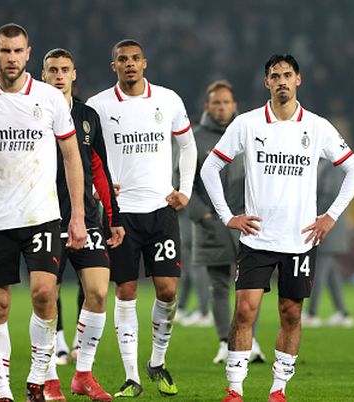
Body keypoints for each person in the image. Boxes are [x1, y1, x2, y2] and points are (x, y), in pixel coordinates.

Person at [200, 54, 354, 402]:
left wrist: (330, 215)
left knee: (291, 313)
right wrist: (228, 215)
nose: (281, 81)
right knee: (245, 310)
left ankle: (278, 389)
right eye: (274, 76)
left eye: (287, 75)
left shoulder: (317, 127)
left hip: (300, 239)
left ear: (298, 80)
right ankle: (235, 388)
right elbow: (209, 168)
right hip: (257, 237)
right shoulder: (247, 123)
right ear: (267, 83)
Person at [0, 23, 86, 402]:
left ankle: (38, 379)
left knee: (44, 294)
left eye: (17, 51)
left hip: (41, 214)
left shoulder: (49, 99)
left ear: (28, 53)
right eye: (4, 51)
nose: (11, 58)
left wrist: (77, 215)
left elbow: (72, 157)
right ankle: (3, 391)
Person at [86, 39, 197, 398]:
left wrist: (185, 189)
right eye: (122, 60)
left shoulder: (168, 100)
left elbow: (188, 145)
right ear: (113, 66)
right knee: (126, 290)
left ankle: (157, 361)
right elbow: (82, 154)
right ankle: (132, 376)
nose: (129, 64)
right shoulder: (98, 106)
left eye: (135, 59)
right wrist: (95, 188)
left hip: (161, 210)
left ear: (145, 63)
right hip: (120, 214)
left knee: (167, 291)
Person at [41, 47, 126, 401]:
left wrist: (113, 216)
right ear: (43, 75)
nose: (60, 75)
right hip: (43, 215)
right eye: (53, 70)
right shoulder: (34, 112)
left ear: (74, 74)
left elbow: (99, 169)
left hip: (86, 217)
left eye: (65, 69)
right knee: (46, 296)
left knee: (98, 292)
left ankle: (83, 374)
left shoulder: (88, 116)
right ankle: (46, 378)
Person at [188, 80, 266, 364]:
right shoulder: (195, 139)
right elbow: (183, 183)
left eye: (226, 102)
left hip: (248, 222)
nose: (221, 107)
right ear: (207, 107)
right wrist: (204, 216)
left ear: (235, 106)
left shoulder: (249, 134)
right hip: (211, 223)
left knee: (252, 285)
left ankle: (250, 340)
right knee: (218, 286)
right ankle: (225, 342)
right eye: (216, 103)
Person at [301, 158, 354, 328]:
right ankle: (343, 313)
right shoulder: (324, 164)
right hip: (330, 224)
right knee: (330, 271)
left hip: (327, 223)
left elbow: (329, 194)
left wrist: (311, 215)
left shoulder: (333, 165)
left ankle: (311, 313)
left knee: (320, 269)